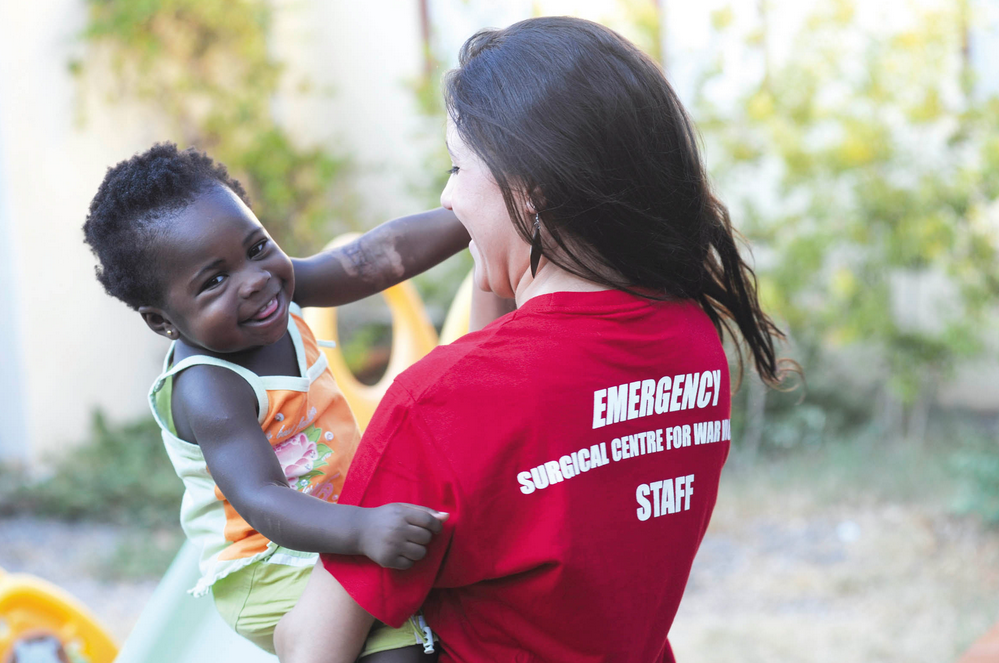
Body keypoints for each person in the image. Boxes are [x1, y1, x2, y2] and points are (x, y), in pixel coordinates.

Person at [276, 15, 792, 663]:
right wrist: (506, 247)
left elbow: (310, 644)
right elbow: (519, 411)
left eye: (458, 167)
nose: (445, 195)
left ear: (532, 191)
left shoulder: (435, 404)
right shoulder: (694, 339)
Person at [82, 143, 474, 660]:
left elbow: (374, 258)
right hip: (268, 565)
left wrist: (476, 216)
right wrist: (361, 530)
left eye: (257, 246)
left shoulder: (273, 291)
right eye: (215, 280)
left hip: (333, 526)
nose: (254, 279)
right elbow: (263, 497)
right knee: (401, 648)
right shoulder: (209, 386)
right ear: (163, 320)